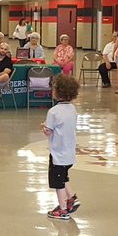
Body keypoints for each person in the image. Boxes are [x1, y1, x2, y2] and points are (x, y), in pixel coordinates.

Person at [43, 74, 81, 221]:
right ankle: (71, 198)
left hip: (57, 153)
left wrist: (44, 128)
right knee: (63, 176)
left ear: (57, 92)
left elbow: (48, 131)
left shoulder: (53, 111)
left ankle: (63, 209)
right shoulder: (72, 109)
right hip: (69, 152)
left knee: (58, 182)